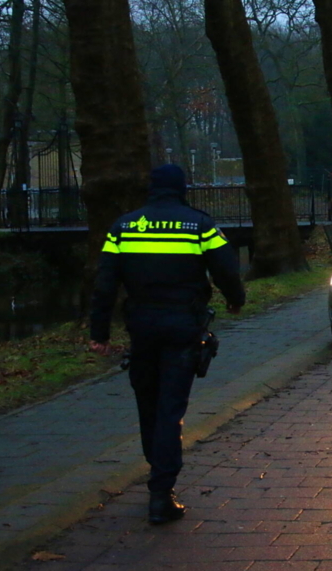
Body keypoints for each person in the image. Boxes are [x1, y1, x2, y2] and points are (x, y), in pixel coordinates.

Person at [89, 164, 246, 524]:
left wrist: (99, 333)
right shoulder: (199, 224)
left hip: (141, 328)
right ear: (181, 189)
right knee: (171, 408)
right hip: (182, 327)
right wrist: (235, 300)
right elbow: (226, 268)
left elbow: (104, 284)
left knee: (148, 404)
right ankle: (161, 493)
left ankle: (156, 471)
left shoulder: (124, 226)